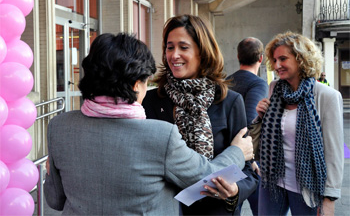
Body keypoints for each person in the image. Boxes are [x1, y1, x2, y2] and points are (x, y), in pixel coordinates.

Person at [43, 33, 255, 215]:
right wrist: (237, 151)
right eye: (146, 82)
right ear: (136, 85)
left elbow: (55, 200)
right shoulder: (161, 136)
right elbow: (208, 177)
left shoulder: (59, 127)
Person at [142, 15, 258, 215]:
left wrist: (235, 190)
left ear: (202, 52)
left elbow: (247, 170)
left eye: (183, 47)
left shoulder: (229, 101)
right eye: (170, 47)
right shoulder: (151, 100)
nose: (174, 55)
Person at [256, 31, 344, 215]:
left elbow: (334, 153)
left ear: (301, 59)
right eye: (274, 60)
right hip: (272, 181)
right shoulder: (275, 88)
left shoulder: (327, 96)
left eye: (283, 59)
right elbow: (269, 133)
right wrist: (261, 116)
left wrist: (329, 199)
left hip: (307, 186)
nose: (276, 65)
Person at [226, 37, 268, 215]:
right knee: (261, 210)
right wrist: (250, 161)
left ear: (238, 56)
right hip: (249, 159)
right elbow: (250, 121)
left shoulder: (227, 81)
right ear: (261, 58)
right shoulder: (258, 84)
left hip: (227, 155)